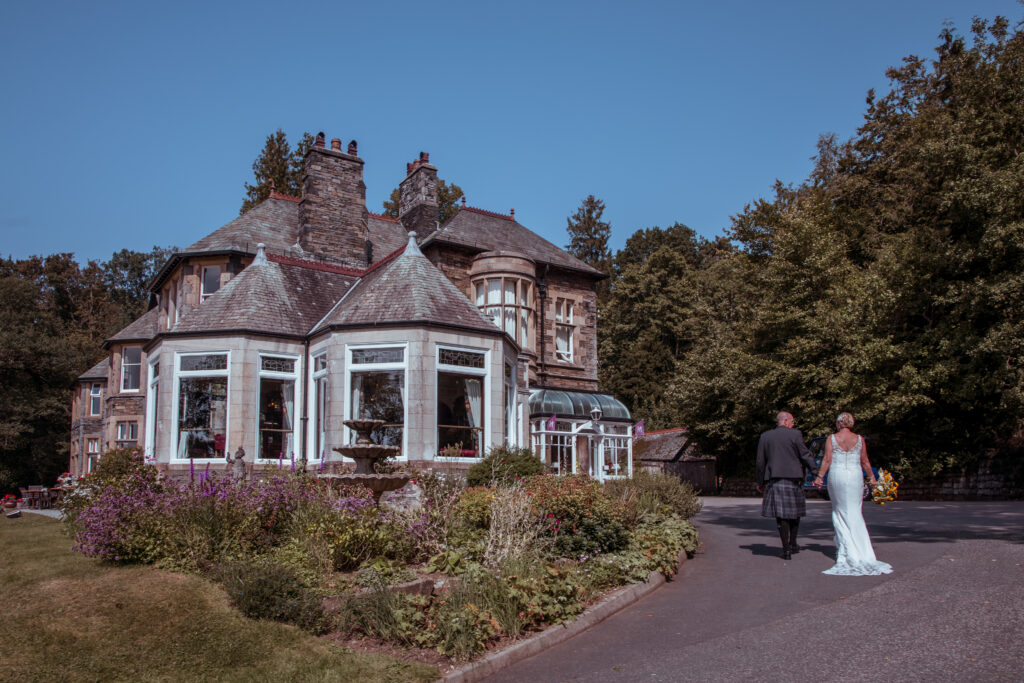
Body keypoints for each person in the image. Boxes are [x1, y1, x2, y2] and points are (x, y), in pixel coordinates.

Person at [813, 412, 892, 575]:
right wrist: (872, 478)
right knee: (855, 511)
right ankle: (862, 550)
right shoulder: (859, 439)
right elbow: (864, 461)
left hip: (838, 476)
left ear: (840, 423)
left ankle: (846, 549)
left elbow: (827, 460)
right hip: (855, 477)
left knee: (840, 511)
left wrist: (820, 477)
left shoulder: (832, 438)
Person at [757, 411, 818, 560]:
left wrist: (760, 482)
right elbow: (805, 455)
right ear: (785, 421)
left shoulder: (765, 437)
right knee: (794, 513)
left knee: (781, 516)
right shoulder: (795, 435)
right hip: (793, 479)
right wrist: (816, 473)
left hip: (775, 480)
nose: (793, 424)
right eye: (791, 421)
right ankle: (792, 543)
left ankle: (786, 550)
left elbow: (760, 462)